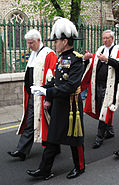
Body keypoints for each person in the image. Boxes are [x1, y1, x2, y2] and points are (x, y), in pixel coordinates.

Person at [26, 17, 86, 180]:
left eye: (56, 40)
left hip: (72, 106)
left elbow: (70, 86)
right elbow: (57, 81)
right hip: (59, 104)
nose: (54, 43)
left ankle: (80, 167)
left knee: (74, 138)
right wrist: (43, 88)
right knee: (52, 138)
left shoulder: (76, 59)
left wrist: (47, 93)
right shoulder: (60, 58)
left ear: (65, 41)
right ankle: (45, 170)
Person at [8, 29, 57, 160]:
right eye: (28, 43)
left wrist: (48, 98)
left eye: (31, 43)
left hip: (43, 96)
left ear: (39, 40)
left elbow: (52, 79)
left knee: (49, 121)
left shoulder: (49, 54)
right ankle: (22, 150)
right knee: (31, 121)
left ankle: (53, 147)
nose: (29, 46)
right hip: (32, 96)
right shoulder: (33, 54)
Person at [81, 30, 119, 149]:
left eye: (107, 38)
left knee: (104, 109)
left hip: (109, 86)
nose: (105, 40)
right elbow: (93, 62)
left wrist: (107, 60)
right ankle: (110, 131)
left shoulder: (118, 49)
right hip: (97, 84)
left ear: (112, 38)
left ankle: (99, 137)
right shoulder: (100, 49)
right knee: (101, 106)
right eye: (104, 38)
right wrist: (87, 58)